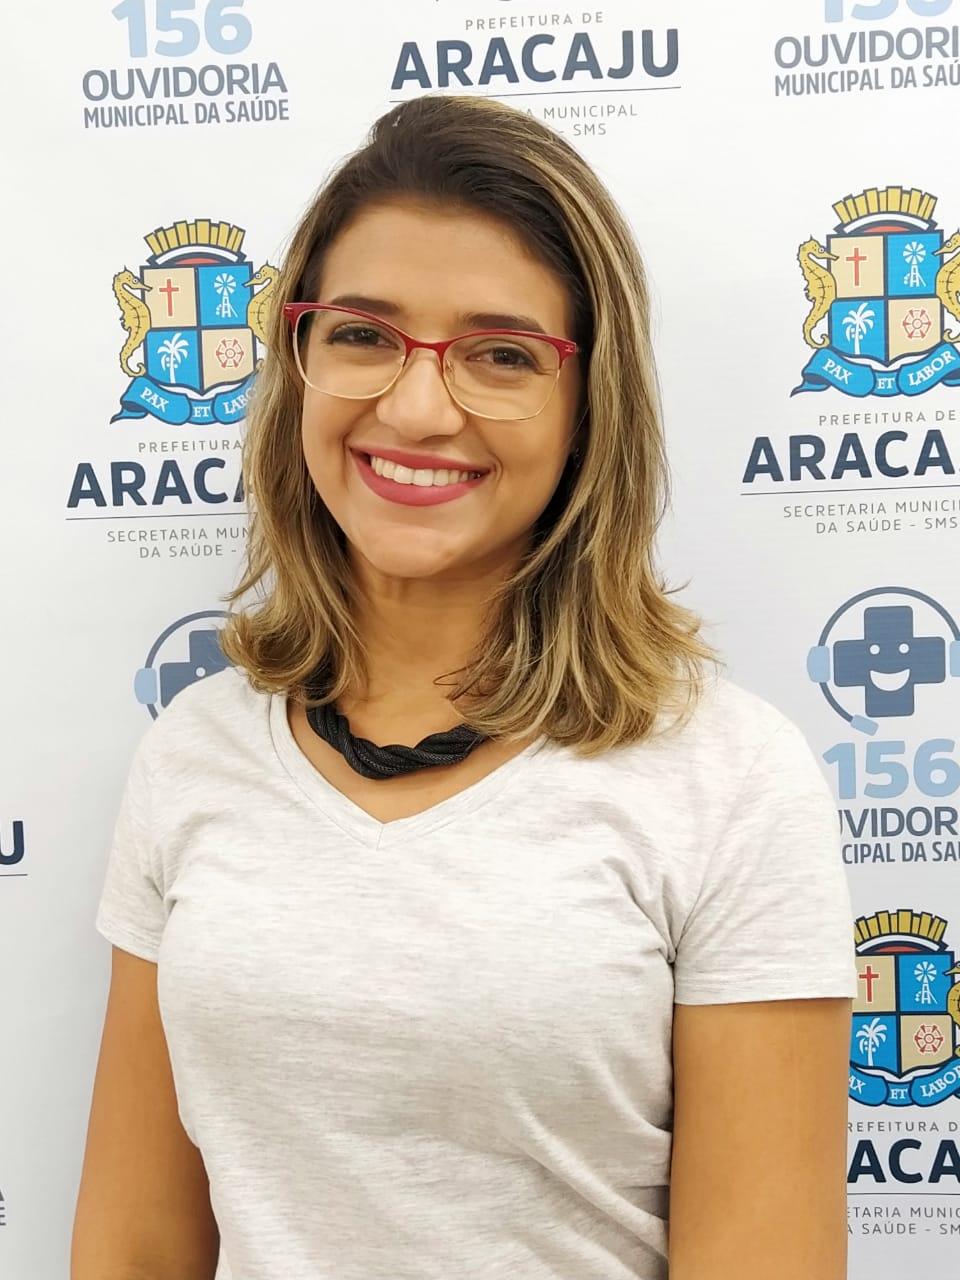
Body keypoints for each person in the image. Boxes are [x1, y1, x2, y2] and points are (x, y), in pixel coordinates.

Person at [73, 94, 858, 1280]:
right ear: (298, 359)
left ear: (588, 406)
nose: (416, 406)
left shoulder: (730, 777)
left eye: (502, 355)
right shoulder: (194, 750)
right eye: (363, 334)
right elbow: (134, 1243)